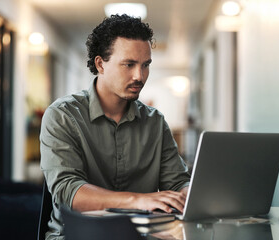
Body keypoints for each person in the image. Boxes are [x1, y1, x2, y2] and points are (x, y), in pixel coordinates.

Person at [40, 14, 190, 239]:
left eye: (145, 65)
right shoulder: (62, 115)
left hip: (142, 235)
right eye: (129, 64)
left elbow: (178, 182)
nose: (139, 76)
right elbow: (67, 192)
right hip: (77, 235)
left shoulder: (155, 122)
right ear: (100, 64)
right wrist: (138, 200)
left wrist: (189, 195)